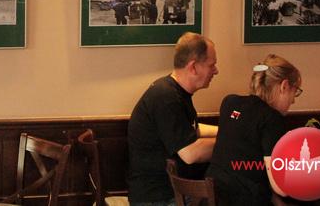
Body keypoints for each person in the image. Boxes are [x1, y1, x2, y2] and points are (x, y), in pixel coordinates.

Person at [128, 33, 219, 205]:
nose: (216, 71)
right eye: (211, 65)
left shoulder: (172, 91)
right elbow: (190, 153)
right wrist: (232, 142)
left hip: (168, 192)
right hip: (157, 198)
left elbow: (190, 129)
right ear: (193, 67)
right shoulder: (166, 97)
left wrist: (228, 130)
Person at [206, 54, 302, 206]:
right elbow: (280, 187)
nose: (294, 100)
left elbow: (248, 168)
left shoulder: (229, 103)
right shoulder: (272, 119)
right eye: (295, 91)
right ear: (284, 86)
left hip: (212, 199)